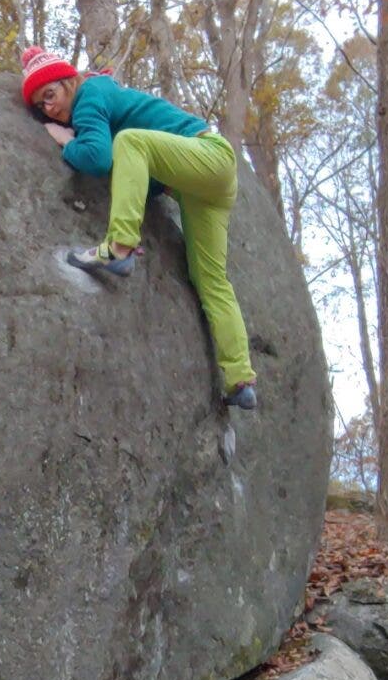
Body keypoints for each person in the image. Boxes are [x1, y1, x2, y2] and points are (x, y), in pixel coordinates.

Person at [16, 44, 257, 411]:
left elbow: (97, 156)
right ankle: (240, 379)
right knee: (210, 280)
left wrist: (67, 142)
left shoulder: (91, 94)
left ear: (68, 81)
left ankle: (120, 247)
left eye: (50, 94)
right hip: (202, 186)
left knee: (128, 141)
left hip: (209, 155)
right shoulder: (99, 97)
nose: (48, 107)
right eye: (40, 105)